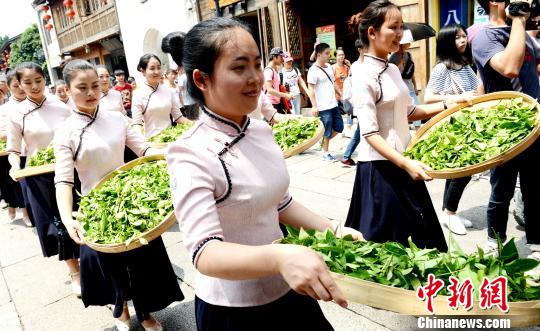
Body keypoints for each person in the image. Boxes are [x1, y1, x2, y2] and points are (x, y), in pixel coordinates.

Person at [162, 17, 362, 331]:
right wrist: (279, 257)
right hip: (233, 309)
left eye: (257, 64)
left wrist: (332, 229)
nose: (255, 78)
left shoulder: (260, 131)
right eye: (239, 68)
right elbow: (205, 252)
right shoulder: (190, 152)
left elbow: (279, 203)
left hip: (286, 288)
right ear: (202, 79)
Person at [54, 59, 183, 331]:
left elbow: (144, 150)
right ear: (67, 89)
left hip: (130, 194)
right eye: (82, 88)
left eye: (95, 86)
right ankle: (121, 309)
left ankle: (145, 312)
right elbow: (64, 181)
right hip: (96, 204)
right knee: (110, 265)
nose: (91, 93)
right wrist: (69, 219)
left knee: (141, 261)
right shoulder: (65, 131)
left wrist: (176, 157)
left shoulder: (115, 118)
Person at [345, 0, 452, 252]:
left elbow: (410, 112)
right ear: (372, 32)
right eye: (394, 27)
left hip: (404, 162)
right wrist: (406, 164)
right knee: (389, 248)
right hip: (381, 171)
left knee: (423, 245)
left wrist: (451, 104)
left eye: (401, 27)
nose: (400, 34)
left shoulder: (392, 67)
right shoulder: (361, 74)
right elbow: (370, 134)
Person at [472, 0, 540, 259]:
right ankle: (495, 242)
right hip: (505, 131)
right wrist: (520, 18)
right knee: (502, 191)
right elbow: (509, 67)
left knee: (535, 191)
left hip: (534, 128)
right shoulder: (483, 36)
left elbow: (534, 69)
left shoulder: (523, 34)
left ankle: (535, 242)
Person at [6, 62, 81, 295]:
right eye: (27, 83)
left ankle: (89, 262)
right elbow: (14, 149)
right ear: (19, 85)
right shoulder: (16, 113)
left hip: (67, 169)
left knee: (77, 216)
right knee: (55, 223)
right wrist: (15, 166)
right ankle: (74, 271)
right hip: (38, 175)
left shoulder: (60, 106)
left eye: (38, 81)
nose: (34, 86)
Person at [424, 24, 484, 235]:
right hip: (452, 127)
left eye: (464, 36)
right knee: (462, 171)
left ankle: (447, 212)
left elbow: (478, 90)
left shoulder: (466, 65)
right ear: (447, 41)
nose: (463, 40)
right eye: (457, 37)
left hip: (468, 124)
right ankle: (450, 213)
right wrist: (456, 97)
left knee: (457, 172)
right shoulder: (443, 68)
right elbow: (428, 97)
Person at [132, 54, 191, 139]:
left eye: (159, 67)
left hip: (171, 138)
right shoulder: (138, 94)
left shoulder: (168, 90)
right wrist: (142, 142)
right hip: (152, 141)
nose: (157, 71)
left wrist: (195, 124)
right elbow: (137, 123)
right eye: (152, 68)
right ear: (143, 71)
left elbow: (178, 117)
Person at [0, 70, 32, 226]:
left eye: (22, 84)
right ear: (8, 86)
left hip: (34, 151)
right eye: (15, 85)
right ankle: (24, 213)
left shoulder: (34, 101)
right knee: (18, 187)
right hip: (15, 153)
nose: (20, 88)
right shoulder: (5, 109)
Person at [307, 42, 344, 161]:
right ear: (318, 55)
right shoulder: (313, 70)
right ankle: (325, 152)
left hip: (333, 104)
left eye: (329, 53)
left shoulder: (329, 67)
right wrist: (314, 106)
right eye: (327, 53)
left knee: (339, 127)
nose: (329, 55)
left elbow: (333, 83)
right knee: (327, 130)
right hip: (323, 107)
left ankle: (323, 141)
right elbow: (311, 89)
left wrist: (340, 94)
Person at [389, 29, 421, 128]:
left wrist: (415, 86)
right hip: (400, 88)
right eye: (407, 42)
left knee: (417, 108)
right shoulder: (393, 57)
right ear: (402, 43)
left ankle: (418, 130)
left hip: (410, 87)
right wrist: (400, 64)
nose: (409, 44)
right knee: (402, 112)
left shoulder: (409, 55)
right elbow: (392, 74)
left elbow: (411, 73)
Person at [340, 38, 365, 167]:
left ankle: (346, 156)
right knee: (361, 132)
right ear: (360, 49)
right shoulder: (356, 66)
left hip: (364, 104)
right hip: (363, 104)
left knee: (360, 133)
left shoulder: (359, 65)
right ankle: (346, 156)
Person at [264, 47, 294, 114]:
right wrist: (285, 95)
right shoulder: (268, 71)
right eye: (281, 57)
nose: (283, 60)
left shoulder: (274, 69)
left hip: (277, 102)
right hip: (271, 104)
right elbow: (270, 90)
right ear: (274, 57)